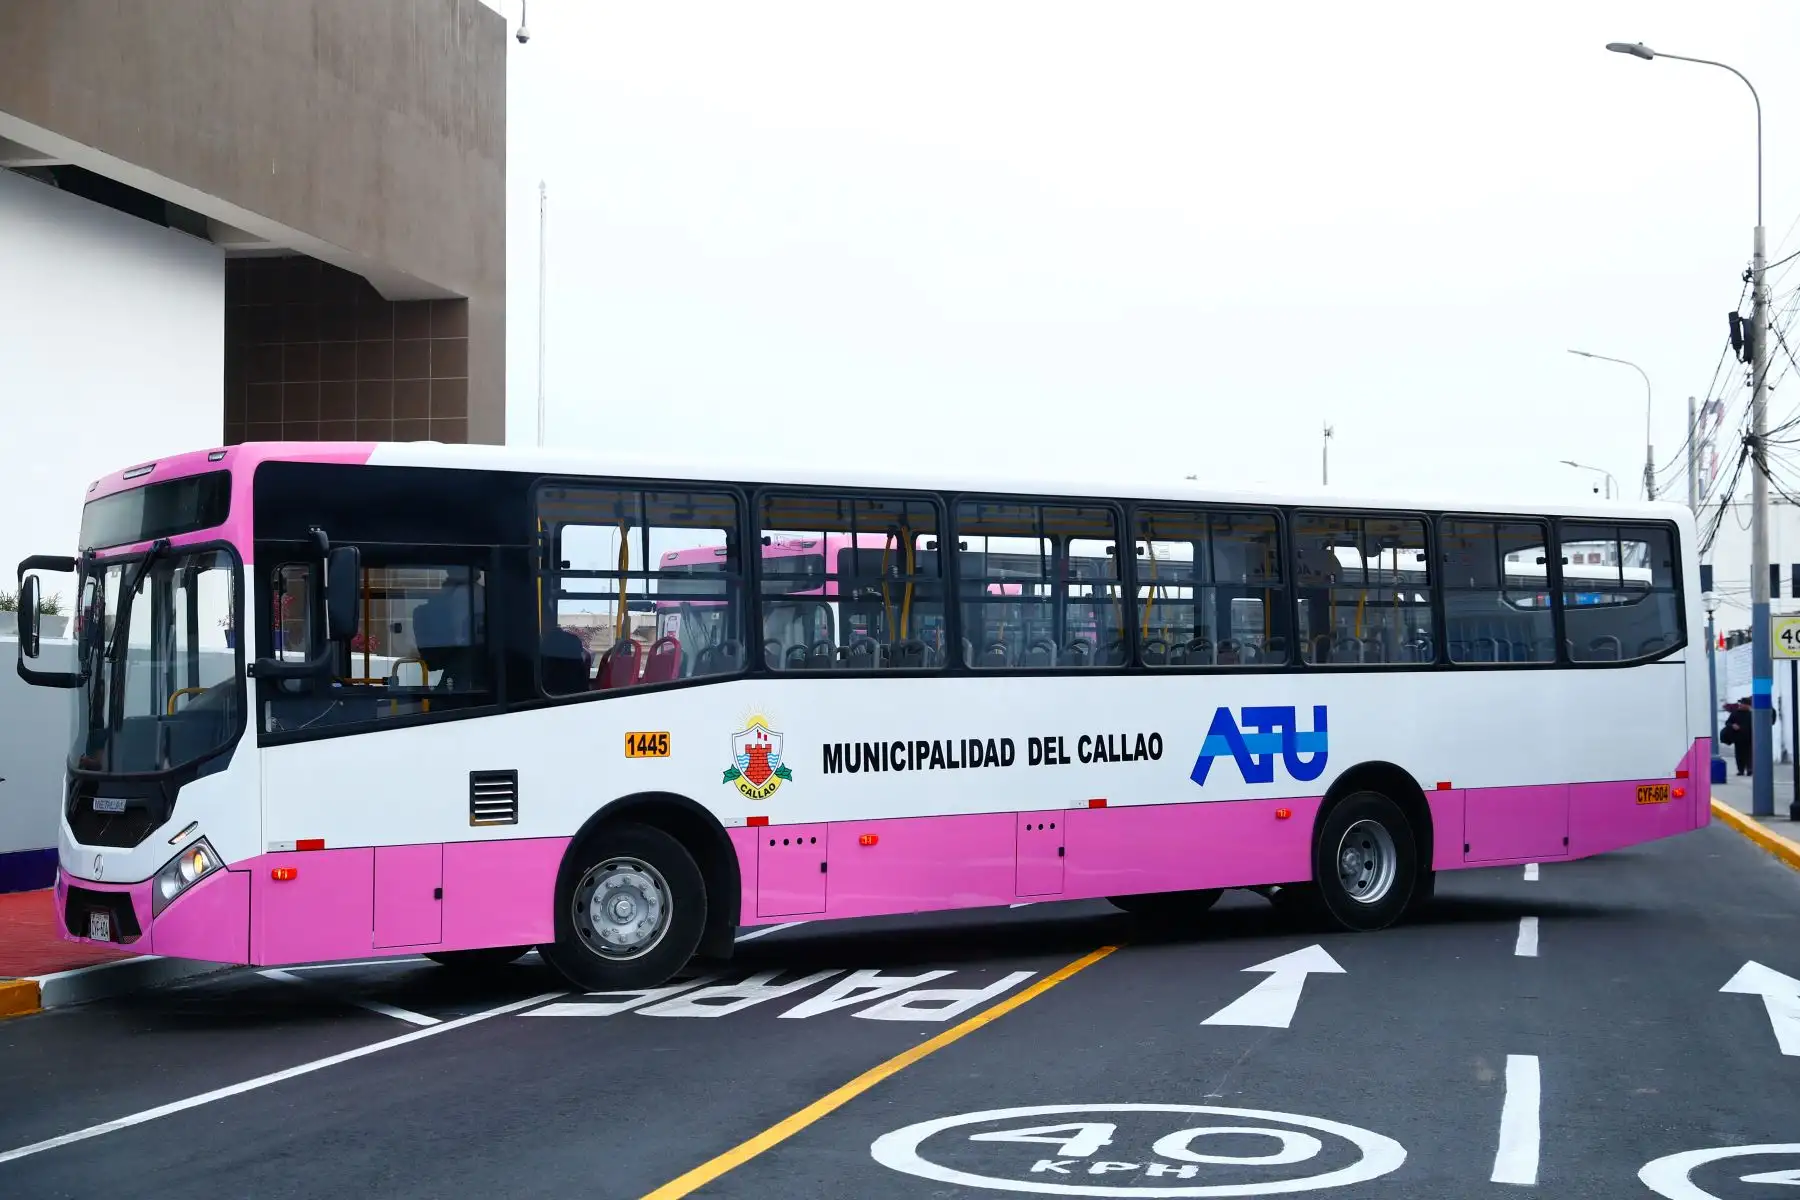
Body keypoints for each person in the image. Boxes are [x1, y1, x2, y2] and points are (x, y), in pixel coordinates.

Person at [1723, 699, 1754, 777]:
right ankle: (1741, 770)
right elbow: (1727, 723)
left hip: (1749, 738)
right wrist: (1733, 725)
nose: (1741, 705)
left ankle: (1749, 769)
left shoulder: (1751, 714)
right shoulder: (1735, 713)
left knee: (1749, 754)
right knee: (1739, 755)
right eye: (1741, 704)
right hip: (1738, 738)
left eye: (1743, 704)